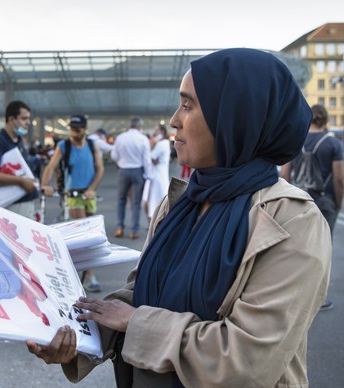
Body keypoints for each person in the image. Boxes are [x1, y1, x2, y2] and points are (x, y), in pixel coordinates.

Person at [27, 48, 331, 388]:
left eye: (187, 105)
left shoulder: (292, 221)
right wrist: (77, 335)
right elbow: (141, 292)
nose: (174, 120)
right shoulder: (181, 202)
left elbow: (246, 359)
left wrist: (137, 323)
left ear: (233, 117)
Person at [280, 104, 343, 311]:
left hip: (299, 200)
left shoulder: (295, 142)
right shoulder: (333, 143)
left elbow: (285, 175)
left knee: (297, 246)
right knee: (323, 247)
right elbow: (339, 177)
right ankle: (319, 298)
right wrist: (337, 202)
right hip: (324, 200)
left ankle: (295, 294)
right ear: (324, 120)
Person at [40, 114, 105, 292]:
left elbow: (100, 169)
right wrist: (45, 184)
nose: (73, 133)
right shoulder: (64, 146)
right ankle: (89, 276)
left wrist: (92, 188)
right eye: (71, 129)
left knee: (92, 235)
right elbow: (51, 167)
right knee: (84, 233)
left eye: (77, 129)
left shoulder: (93, 145)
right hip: (73, 194)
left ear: (85, 130)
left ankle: (84, 272)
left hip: (89, 194)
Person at [0, 100, 38, 218]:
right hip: (12, 204)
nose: (28, 122)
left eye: (28, 119)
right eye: (24, 118)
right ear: (11, 119)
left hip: (25, 200)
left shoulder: (18, 140)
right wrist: (21, 181)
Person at [111, 117, 151, 239]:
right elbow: (146, 159)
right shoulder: (143, 139)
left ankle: (119, 228)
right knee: (136, 202)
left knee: (121, 200)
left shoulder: (120, 137)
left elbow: (114, 155)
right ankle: (134, 230)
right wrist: (147, 175)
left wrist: (121, 163)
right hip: (137, 171)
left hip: (123, 171)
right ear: (140, 127)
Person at [142, 124, 171, 226]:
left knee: (152, 201)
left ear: (162, 132)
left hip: (156, 176)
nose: (155, 133)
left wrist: (151, 146)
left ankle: (153, 224)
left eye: (156, 131)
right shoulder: (166, 143)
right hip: (161, 175)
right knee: (158, 200)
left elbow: (151, 157)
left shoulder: (161, 144)